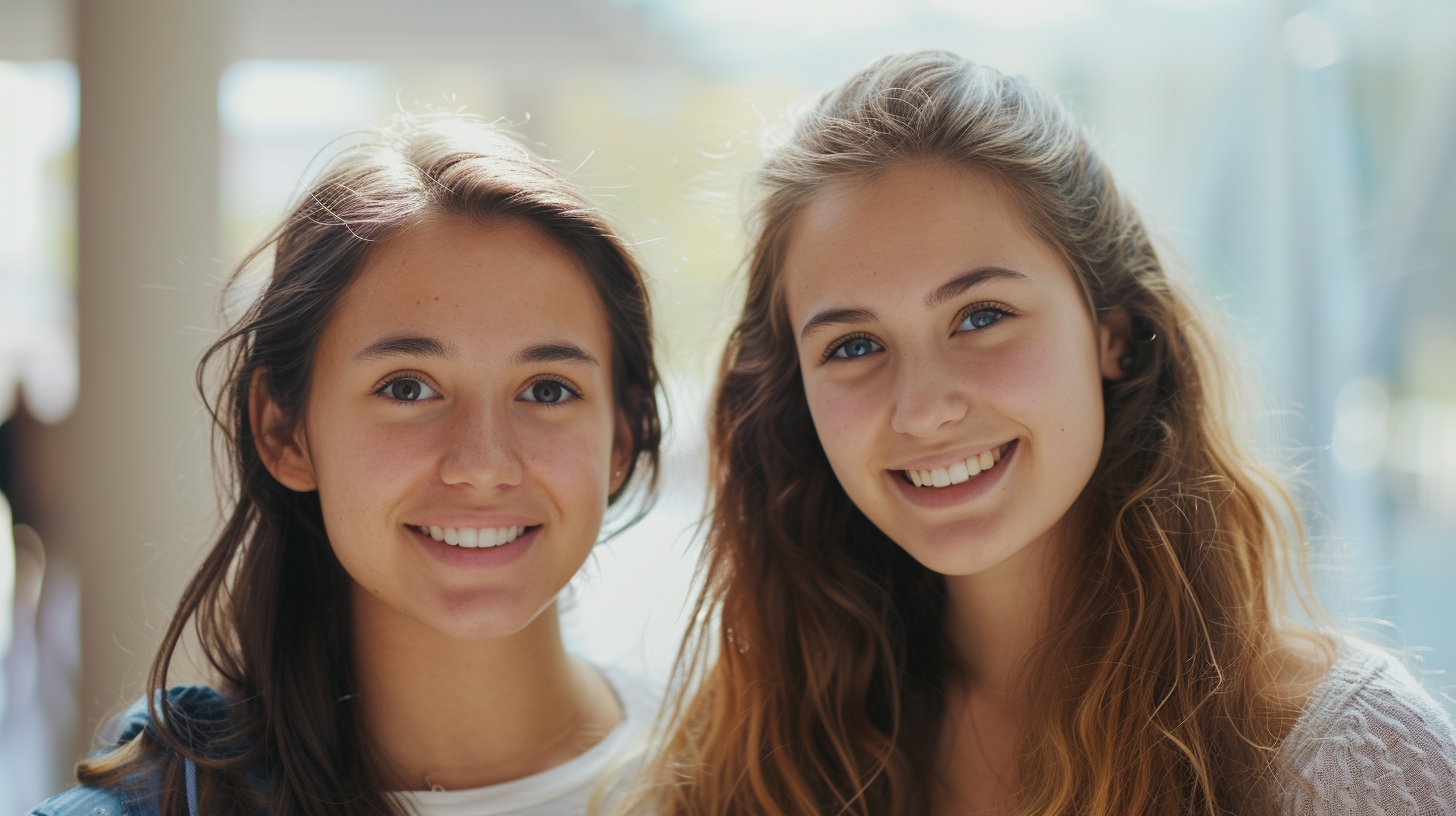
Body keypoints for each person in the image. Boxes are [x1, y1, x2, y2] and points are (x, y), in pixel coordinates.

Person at [635, 52, 1456, 816]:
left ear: (1116, 333)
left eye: (981, 316)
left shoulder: (1345, 760)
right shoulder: (754, 749)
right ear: (793, 397)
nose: (922, 409)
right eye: (853, 346)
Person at [31, 113, 663, 816]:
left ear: (622, 438)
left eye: (548, 390)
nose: (484, 466)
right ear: (284, 430)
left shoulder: (753, 781)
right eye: (407, 387)